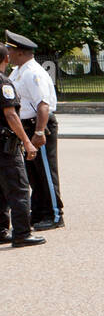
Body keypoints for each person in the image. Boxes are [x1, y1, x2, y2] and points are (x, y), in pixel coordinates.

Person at [5, 31, 63, 231]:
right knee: (33, 173)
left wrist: (39, 133)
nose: (8, 54)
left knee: (45, 171)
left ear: (19, 52)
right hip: (27, 125)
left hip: (39, 125)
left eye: (10, 50)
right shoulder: (18, 71)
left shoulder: (33, 72)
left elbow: (43, 105)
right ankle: (38, 212)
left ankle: (55, 215)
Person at [0, 43, 43, 248]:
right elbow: (10, 114)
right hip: (5, 146)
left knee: (0, 190)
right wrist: (26, 141)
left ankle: (1, 229)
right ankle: (22, 233)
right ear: (6, 59)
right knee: (18, 188)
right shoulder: (4, 83)